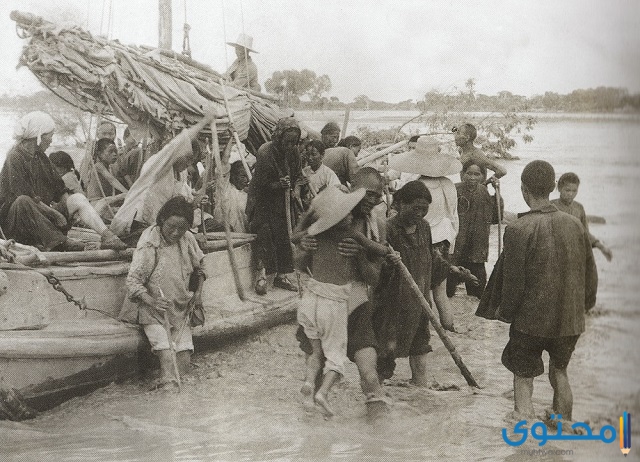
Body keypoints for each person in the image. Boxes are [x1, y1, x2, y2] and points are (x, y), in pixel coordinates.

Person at [498, 160, 597, 423]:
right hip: (569, 320)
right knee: (560, 373)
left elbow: (513, 282)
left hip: (531, 321)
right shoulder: (575, 224)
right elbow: (590, 272)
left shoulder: (518, 229)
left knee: (523, 375)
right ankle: (563, 428)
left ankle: (526, 435)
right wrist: (585, 307)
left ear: (523, 189)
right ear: (553, 187)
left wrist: (506, 313)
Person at [294, 167, 392, 416]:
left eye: (377, 196)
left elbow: (375, 278)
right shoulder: (326, 215)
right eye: (368, 194)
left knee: (370, 377)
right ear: (353, 190)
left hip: (356, 305)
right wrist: (303, 244)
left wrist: (360, 255)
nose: (372, 201)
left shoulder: (376, 224)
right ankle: (314, 441)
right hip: (325, 304)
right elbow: (300, 263)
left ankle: (377, 443)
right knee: (317, 373)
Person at [374, 181, 475, 385]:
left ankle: (419, 401)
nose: (420, 213)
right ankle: (378, 405)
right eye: (415, 208)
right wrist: (388, 262)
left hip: (419, 306)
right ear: (400, 203)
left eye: (424, 208)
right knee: (384, 364)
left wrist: (453, 270)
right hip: (392, 307)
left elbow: (431, 258)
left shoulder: (424, 227)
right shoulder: (388, 229)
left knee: (420, 359)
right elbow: (375, 268)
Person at [0, 111, 125, 251]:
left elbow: (59, 187)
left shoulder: (40, 157)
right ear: (39, 136)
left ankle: (108, 236)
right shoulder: (15, 157)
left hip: (40, 217)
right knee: (23, 200)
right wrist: (54, 213)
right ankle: (60, 242)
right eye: (50, 136)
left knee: (77, 198)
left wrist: (66, 208)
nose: (51, 140)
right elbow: (25, 195)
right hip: (17, 224)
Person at [121, 196, 206, 388]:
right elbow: (133, 282)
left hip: (180, 309)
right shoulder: (150, 243)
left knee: (184, 368)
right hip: (153, 312)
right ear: (162, 220)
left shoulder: (188, 238)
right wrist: (152, 301)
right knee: (168, 369)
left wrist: (198, 294)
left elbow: (201, 267)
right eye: (170, 227)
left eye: (182, 228)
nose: (176, 233)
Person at [389, 136, 462, 331]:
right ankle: (448, 325)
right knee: (440, 288)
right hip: (445, 236)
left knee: (422, 286)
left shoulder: (415, 187)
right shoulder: (448, 184)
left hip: (423, 239)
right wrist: (453, 241)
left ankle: (425, 328)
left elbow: (406, 216)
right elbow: (454, 215)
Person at [110, 108, 217, 237]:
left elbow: (180, 200)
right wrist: (204, 121)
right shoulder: (157, 165)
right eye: (188, 159)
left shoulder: (180, 173)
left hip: (155, 225)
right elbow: (175, 145)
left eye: (192, 161)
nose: (189, 164)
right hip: (133, 224)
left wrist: (197, 198)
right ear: (178, 153)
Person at [246, 117, 303, 295]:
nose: (290, 146)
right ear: (278, 138)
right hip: (261, 200)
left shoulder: (294, 153)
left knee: (284, 234)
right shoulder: (265, 152)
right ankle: (262, 275)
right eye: (287, 142)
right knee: (264, 233)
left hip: (282, 200)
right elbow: (260, 183)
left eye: (294, 142)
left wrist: (295, 189)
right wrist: (278, 184)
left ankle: (282, 275)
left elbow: (298, 177)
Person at [447, 160, 501, 298]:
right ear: (462, 174)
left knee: (477, 294)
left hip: (476, 249)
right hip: (456, 247)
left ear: (483, 176)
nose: (472, 177)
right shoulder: (454, 189)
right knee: (448, 291)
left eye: (476, 174)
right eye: (469, 173)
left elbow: (496, 217)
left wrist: (497, 192)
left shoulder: (484, 191)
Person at [551, 172, 613, 262]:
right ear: (560, 188)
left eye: (574, 191)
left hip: (575, 255)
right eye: (567, 190)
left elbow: (585, 233)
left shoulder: (579, 208)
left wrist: (602, 247)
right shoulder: (551, 206)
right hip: (555, 255)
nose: (571, 194)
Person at [86, 138, 129, 220]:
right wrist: (128, 194)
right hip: (96, 204)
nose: (114, 154)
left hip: (105, 203)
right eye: (110, 151)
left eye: (115, 151)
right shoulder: (98, 166)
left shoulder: (109, 168)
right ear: (100, 154)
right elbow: (112, 180)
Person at [300, 139, 341, 209]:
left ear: (322, 155)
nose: (310, 158)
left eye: (313, 155)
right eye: (308, 154)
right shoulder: (304, 171)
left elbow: (336, 195)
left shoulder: (328, 174)